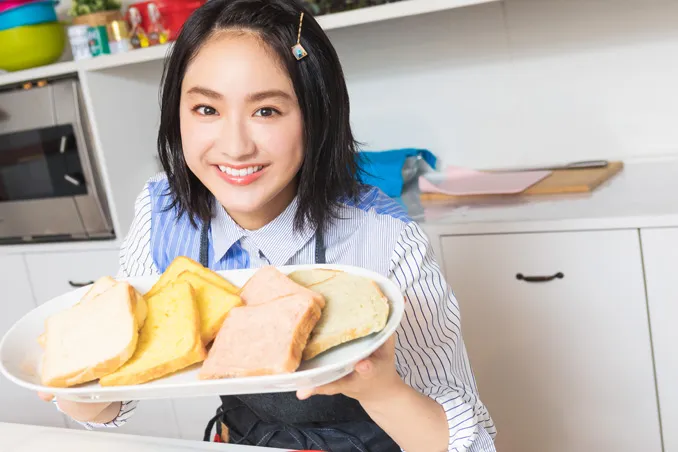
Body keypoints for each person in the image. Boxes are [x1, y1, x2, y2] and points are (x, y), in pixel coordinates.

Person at [40, 0, 496, 450]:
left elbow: (469, 443)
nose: (235, 147)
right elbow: (111, 398)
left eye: (266, 111)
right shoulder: (162, 213)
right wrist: (73, 385)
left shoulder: (383, 237)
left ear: (317, 118)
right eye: (206, 109)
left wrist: (381, 390)